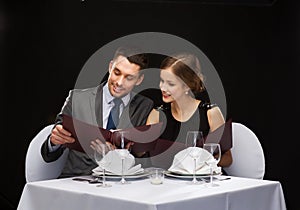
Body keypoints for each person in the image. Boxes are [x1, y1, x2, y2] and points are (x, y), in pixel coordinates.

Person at [41, 46, 154, 178]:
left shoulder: (144, 106)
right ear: (110, 66)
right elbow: (48, 154)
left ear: (139, 80)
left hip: (121, 184)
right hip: (77, 182)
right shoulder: (77, 99)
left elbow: (143, 159)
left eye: (129, 78)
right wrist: (53, 142)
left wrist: (120, 153)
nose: (119, 82)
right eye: (117, 72)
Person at [146, 53, 232, 168]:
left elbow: (228, 159)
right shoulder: (157, 114)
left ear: (187, 86)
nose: (162, 88)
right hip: (168, 182)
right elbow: (145, 155)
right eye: (162, 81)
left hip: (202, 182)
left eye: (170, 84)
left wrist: (204, 161)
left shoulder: (210, 113)